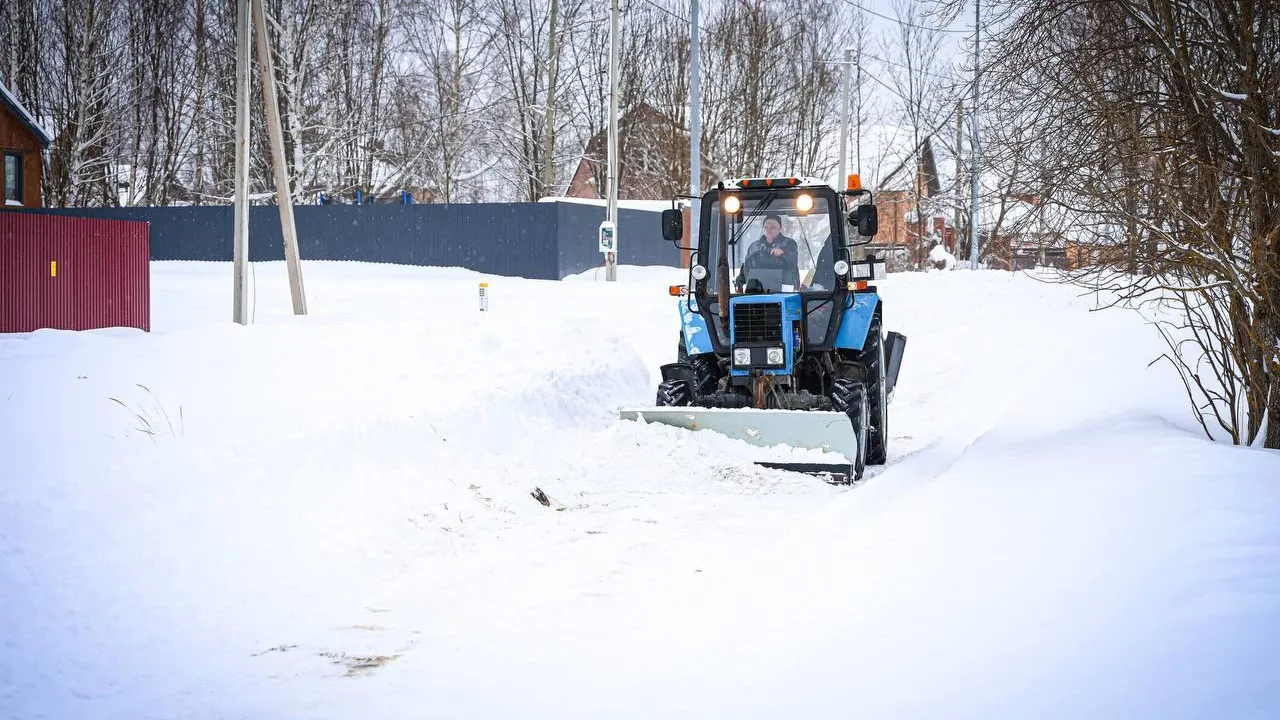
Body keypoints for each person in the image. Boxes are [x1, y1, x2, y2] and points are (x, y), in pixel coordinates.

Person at [736, 214, 800, 291]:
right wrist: (740, 278)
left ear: (780, 228)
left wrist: (783, 252)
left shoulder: (789, 243)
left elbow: (793, 261)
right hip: (757, 288)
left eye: (773, 227)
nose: (769, 230)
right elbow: (747, 265)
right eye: (766, 227)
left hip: (784, 288)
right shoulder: (754, 246)